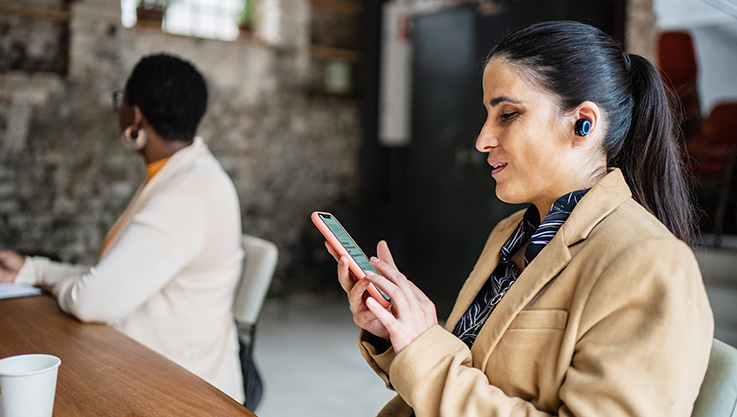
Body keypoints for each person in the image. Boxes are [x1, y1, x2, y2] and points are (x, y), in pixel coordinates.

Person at [326, 21, 714, 416]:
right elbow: (467, 372)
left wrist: (424, 345)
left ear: (584, 123)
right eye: (488, 115)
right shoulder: (509, 234)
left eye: (508, 114)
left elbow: (445, 374)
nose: (482, 140)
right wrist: (398, 335)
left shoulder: (651, 264)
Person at [0, 53, 245, 402]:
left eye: (122, 100)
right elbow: (114, 279)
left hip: (181, 395)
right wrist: (31, 269)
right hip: (148, 367)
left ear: (136, 114)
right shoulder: (182, 174)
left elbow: (92, 300)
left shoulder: (188, 194)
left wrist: (40, 274)